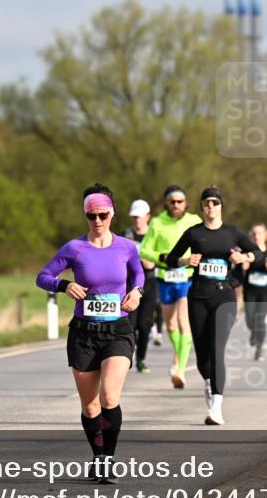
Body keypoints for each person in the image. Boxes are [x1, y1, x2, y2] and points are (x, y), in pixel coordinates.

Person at [36, 184, 143, 481]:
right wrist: (63, 285)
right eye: (91, 215)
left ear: (112, 214)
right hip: (83, 333)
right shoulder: (74, 249)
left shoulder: (126, 247)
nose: (97, 220)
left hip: (117, 330)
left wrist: (138, 292)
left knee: (109, 396)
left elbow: (138, 274)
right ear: (86, 216)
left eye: (102, 214)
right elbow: (42, 276)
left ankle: (108, 459)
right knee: (90, 404)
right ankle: (97, 456)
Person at [165, 187, 261, 425]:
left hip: (224, 296)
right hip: (198, 296)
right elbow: (169, 259)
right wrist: (186, 260)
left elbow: (259, 253)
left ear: (220, 206)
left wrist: (244, 258)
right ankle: (209, 381)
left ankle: (216, 407)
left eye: (215, 203)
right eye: (206, 203)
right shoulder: (194, 233)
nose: (210, 207)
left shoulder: (232, 232)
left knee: (217, 349)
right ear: (201, 207)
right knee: (202, 356)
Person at [138, 185, 203, 388]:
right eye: (172, 201)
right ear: (166, 202)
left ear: (186, 203)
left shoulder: (194, 221)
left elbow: (206, 243)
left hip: (187, 278)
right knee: (171, 326)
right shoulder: (157, 223)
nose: (176, 205)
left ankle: (180, 371)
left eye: (180, 201)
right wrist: (162, 258)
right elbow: (145, 250)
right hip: (165, 278)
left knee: (184, 323)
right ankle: (179, 353)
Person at [123, 199, 159, 374]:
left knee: (145, 326)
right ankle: (127, 358)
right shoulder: (126, 235)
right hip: (129, 284)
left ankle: (142, 359)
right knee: (130, 325)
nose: (137, 220)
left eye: (140, 216)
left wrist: (147, 258)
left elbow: (154, 263)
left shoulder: (153, 236)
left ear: (148, 217)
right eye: (134, 216)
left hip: (150, 283)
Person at [241, 223, 267, 361]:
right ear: (251, 236)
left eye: (260, 233)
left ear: (265, 235)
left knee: (260, 319)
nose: (257, 236)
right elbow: (241, 268)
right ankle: (253, 333)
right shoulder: (247, 251)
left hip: (264, 291)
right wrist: (244, 265)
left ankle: (260, 349)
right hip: (249, 290)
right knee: (250, 320)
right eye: (254, 234)